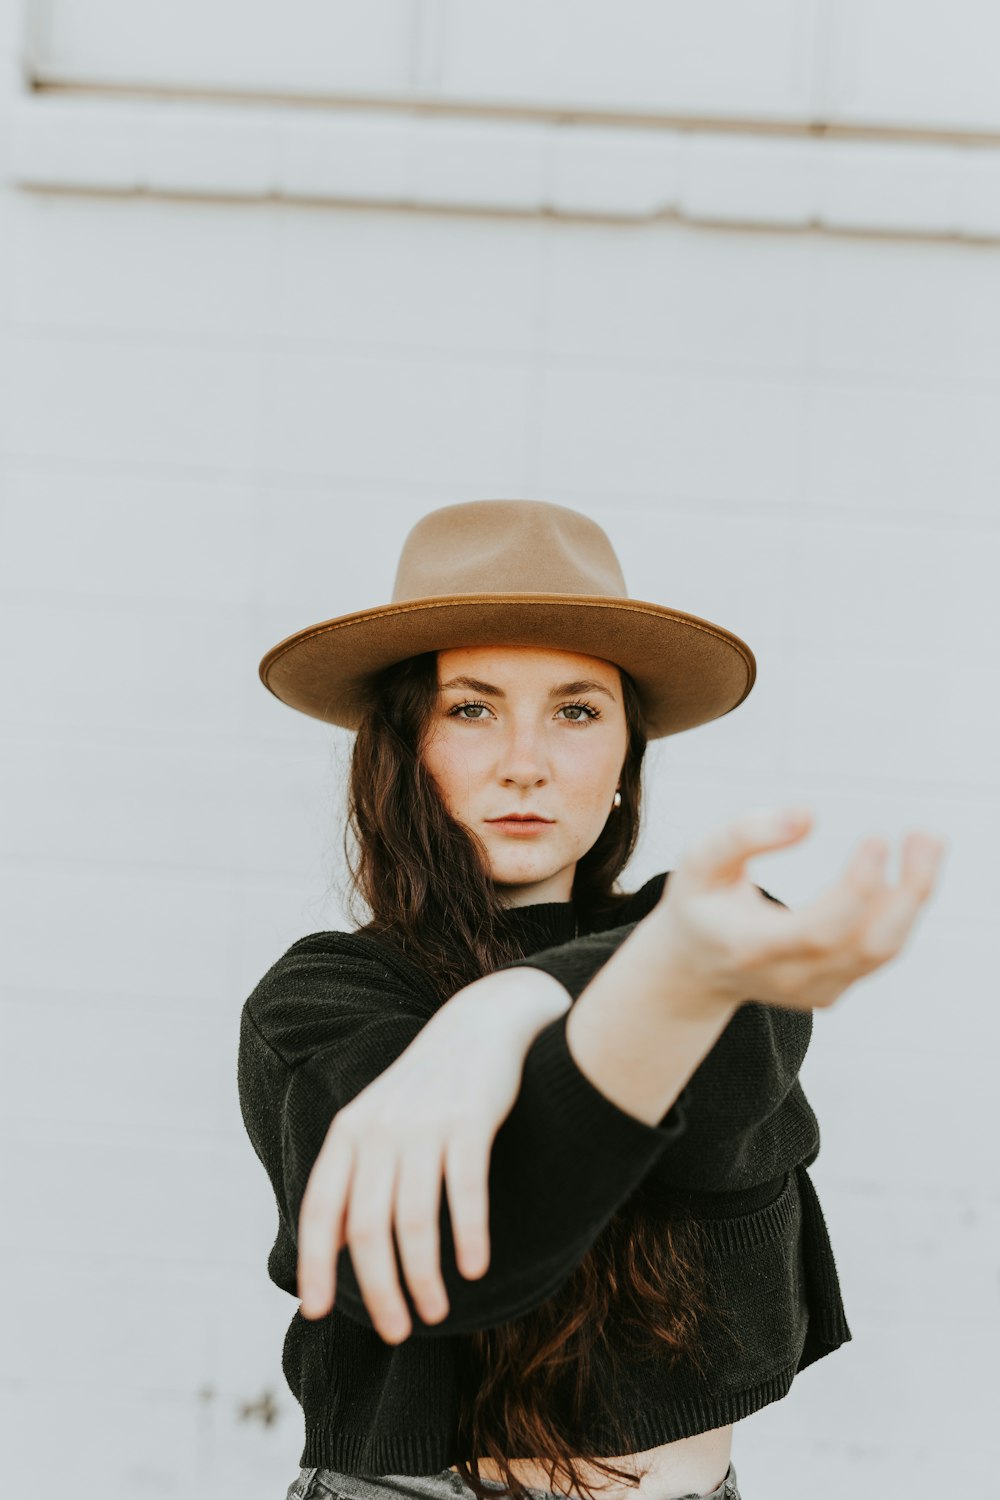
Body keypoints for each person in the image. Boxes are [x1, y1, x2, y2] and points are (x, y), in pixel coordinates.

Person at [238, 499, 945, 1500]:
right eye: (471, 709)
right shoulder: (324, 1001)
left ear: (623, 761)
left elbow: (717, 1010)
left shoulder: (703, 928)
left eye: (576, 711)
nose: (525, 761)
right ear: (402, 748)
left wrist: (512, 1001)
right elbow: (459, 1261)